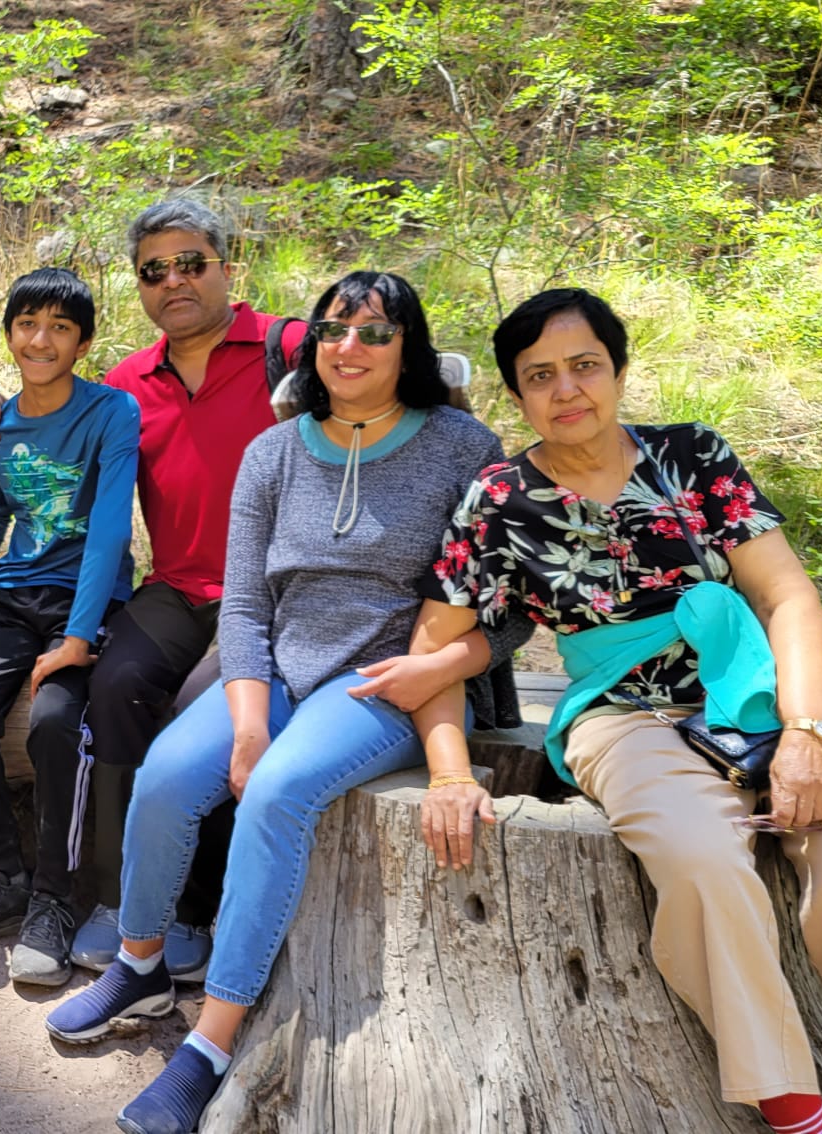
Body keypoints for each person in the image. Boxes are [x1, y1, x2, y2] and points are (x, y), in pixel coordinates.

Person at [410, 288, 822, 1134]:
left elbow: (788, 596)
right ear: (517, 395)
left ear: (617, 371)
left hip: (763, 686)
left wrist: (807, 735)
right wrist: (446, 772)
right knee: (704, 863)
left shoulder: (691, 455)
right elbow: (433, 647)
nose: (568, 389)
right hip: (623, 713)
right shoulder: (499, 501)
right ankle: (795, 1107)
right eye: (539, 375)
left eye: (585, 365)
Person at [44, 272, 521, 1134]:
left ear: (408, 347)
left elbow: (513, 604)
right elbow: (246, 601)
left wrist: (441, 666)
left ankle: (213, 1044)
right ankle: (142, 962)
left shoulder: (462, 447)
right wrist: (251, 716)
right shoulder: (277, 448)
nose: (349, 347)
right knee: (163, 777)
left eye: (376, 333)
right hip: (281, 665)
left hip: (387, 680)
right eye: (334, 329)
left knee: (273, 796)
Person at [0, 198, 308, 979]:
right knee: (114, 688)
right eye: (155, 270)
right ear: (138, 286)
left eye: (192, 263)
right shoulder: (127, 384)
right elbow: (46, 415)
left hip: (276, 594)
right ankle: (117, 899)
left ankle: (190, 911)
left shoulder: (291, 349)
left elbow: (387, 387)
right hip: (178, 586)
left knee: (197, 717)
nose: (174, 281)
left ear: (226, 265)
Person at [0, 268, 141, 985]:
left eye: (60, 328)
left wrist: (80, 635)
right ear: (9, 330)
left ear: (83, 341)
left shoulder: (111, 412)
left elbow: (109, 527)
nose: (40, 340)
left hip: (91, 599)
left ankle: (56, 899)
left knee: (54, 723)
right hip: (13, 596)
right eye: (27, 324)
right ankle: (5, 882)